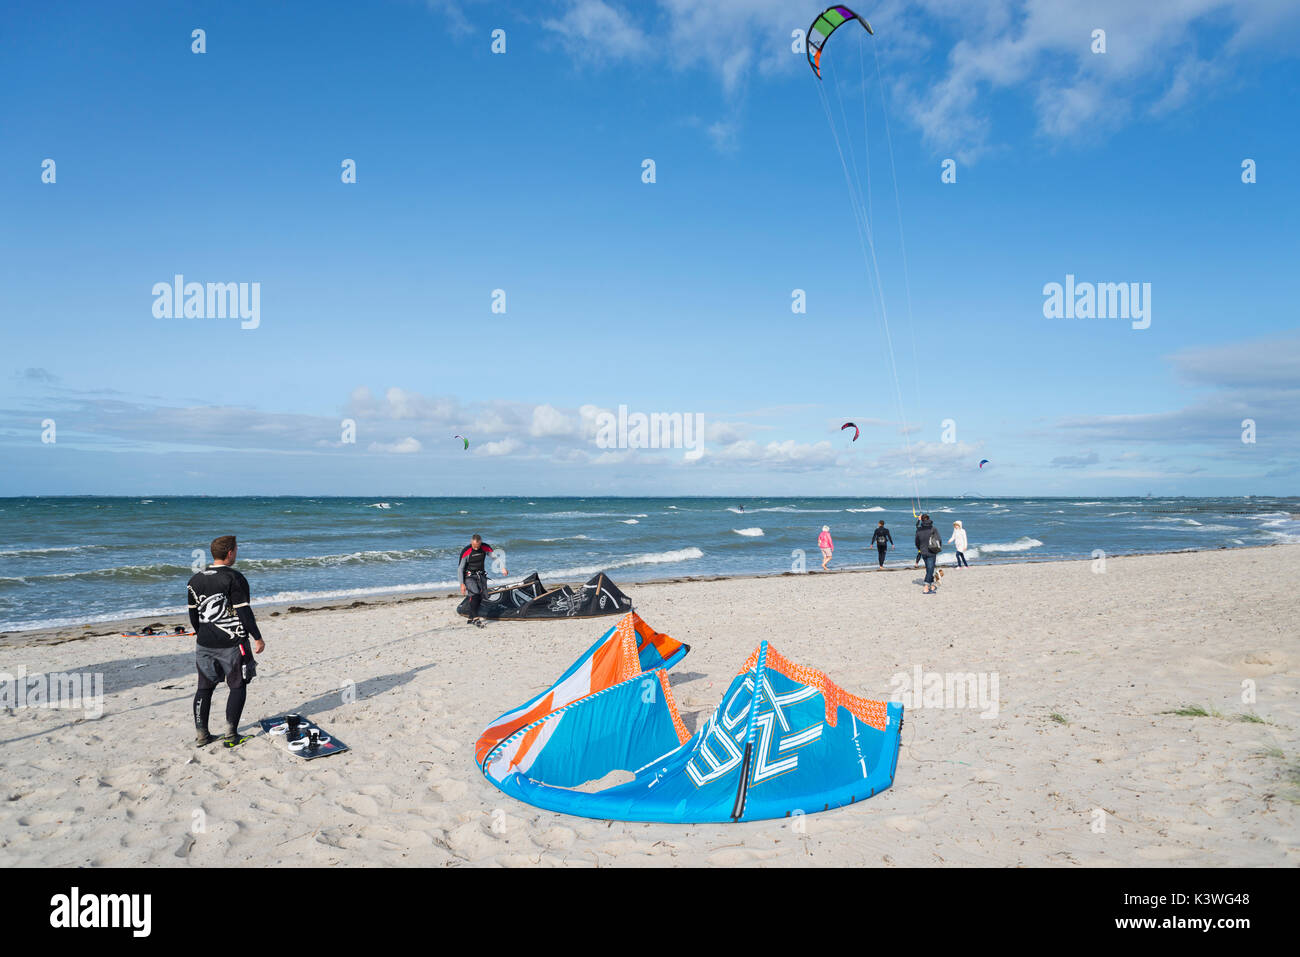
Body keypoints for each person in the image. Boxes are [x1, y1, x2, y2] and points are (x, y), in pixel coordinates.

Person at [186, 535, 265, 748]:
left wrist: (204, 633)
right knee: (238, 685)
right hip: (232, 643)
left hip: (204, 643)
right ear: (230, 552)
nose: (237, 552)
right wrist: (257, 637)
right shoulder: (234, 578)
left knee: (204, 687)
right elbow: (245, 613)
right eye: (236, 549)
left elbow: (194, 617)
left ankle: (202, 736)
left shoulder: (195, 580)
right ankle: (231, 735)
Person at [459, 534, 506, 625]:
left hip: (481, 575)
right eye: (474, 546)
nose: (476, 548)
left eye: (478, 546)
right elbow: (460, 568)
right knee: (475, 593)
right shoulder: (466, 551)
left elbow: (495, 558)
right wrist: (462, 583)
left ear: (480, 543)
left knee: (481, 596)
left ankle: (471, 616)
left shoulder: (485, 547)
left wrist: (502, 568)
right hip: (469, 576)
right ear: (471, 542)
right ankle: (476, 618)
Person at [914, 514, 943, 593]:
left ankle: (932, 586)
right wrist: (938, 549)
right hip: (931, 551)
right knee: (930, 569)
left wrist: (920, 549)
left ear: (922, 520)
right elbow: (939, 540)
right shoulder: (933, 529)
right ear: (929, 519)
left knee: (929, 569)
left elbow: (916, 541)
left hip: (923, 551)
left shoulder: (919, 529)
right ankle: (926, 588)